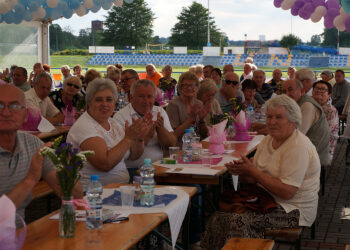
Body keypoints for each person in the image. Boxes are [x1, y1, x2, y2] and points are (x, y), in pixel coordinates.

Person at [202, 95, 320, 249]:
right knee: (218, 217)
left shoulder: (298, 146)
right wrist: (241, 171)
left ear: (293, 121)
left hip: (293, 209)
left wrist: (252, 171)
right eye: (269, 116)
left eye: (278, 117)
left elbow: (287, 192)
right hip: (265, 199)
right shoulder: (267, 140)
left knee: (239, 221)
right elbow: (251, 179)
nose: (271, 122)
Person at [0, 85, 83, 226]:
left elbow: (74, 195)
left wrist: (68, 171)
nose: (6, 112)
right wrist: (31, 179)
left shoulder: (32, 144)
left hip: (19, 235)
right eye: (0, 105)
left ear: (25, 115)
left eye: (14, 106)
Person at [67, 78, 152, 188]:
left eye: (109, 99)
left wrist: (139, 138)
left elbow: (133, 156)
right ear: (89, 103)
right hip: (94, 193)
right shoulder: (84, 126)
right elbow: (105, 164)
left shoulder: (113, 123)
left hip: (121, 187)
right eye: (98, 100)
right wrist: (128, 138)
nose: (104, 104)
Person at [113, 79, 176, 179]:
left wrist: (160, 129)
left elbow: (172, 144)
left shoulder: (159, 111)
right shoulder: (121, 117)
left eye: (149, 96)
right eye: (141, 96)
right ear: (131, 97)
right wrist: (147, 136)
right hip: (134, 171)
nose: (146, 101)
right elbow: (128, 155)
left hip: (160, 167)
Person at [282, 79, 330, 166]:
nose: (287, 94)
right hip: (305, 155)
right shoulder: (296, 103)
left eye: (290, 90)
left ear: (301, 91)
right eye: (284, 91)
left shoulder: (307, 105)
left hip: (314, 161)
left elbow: (297, 134)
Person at [166, 71, 208, 143]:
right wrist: (191, 118)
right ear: (180, 87)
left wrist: (202, 120)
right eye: (185, 85)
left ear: (197, 87)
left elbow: (205, 135)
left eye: (192, 85)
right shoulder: (173, 105)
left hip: (198, 145)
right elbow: (173, 135)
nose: (189, 88)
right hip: (181, 147)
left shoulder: (199, 103)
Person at [312, 80, 339, 159]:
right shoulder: (310, 105)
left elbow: (324, 133)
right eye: (317, 88)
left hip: (324, 147)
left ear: (329, 95)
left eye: (323, 89)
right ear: (312, 92)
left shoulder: (330, 110)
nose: (319, 91)